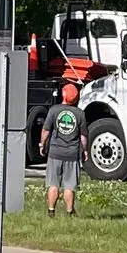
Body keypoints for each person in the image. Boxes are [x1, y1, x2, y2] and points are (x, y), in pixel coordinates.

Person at [45, 78, 86, 217]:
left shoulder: (54, 110)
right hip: (72, 154)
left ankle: (51, 210)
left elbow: (46, 130)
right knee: (69, 186)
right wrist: (84, 150)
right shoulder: (80, 114)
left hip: (55, 152)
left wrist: (41, 144)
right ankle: (69, 212)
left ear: (63, 94)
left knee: (53, 184)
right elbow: (83, 136)